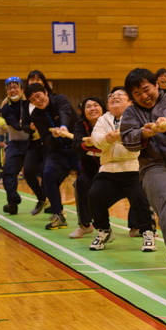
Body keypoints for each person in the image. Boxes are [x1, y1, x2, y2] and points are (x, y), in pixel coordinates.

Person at [120, 68, 166, 271]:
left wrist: (162, 124)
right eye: (137, 94)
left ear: (156, 84)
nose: (144, 96)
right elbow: (127, 139)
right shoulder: (130, 112)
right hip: (152, 166)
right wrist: (143, 133)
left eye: (146, 89)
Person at [88, 88, 156, 251]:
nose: (114, 98)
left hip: (133, 168)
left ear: (130, 101)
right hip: (108, 169)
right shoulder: (103, 119)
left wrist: (121, 137)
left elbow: (142, 136)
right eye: (111, 96)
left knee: (139, 199)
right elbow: (96, 140)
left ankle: (147, 231)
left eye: (119, 95)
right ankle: (104, 230)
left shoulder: (138, 116)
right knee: (94, 195)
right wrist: (107, 138)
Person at [24, 82, 78, 230]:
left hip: (77, 148)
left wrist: (63, 126)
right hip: (57, 151)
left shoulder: (60, 100)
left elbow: (64, 113)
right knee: (47, 174)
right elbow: (45, 139)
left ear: (45, 92)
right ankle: (58, 214)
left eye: (38, 96)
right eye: (32, 100)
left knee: (88, 179)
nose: (37, 101)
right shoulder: (35, 114)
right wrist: (53, 136)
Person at [68, 96, 103, 239]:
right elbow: (76, 146)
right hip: (90, 171)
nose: (92, 109)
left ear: (102, 108)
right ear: (83, 111)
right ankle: (85, 225)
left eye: (96, 105)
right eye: (88, 106)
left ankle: (137, 226)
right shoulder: (80, 125)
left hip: (111, 169)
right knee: (81, 183)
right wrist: (86, 145)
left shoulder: (110, 122)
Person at [21, 70, 52, 215]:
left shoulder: (51, 98)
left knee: (47, 173)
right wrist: (31, 128)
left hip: (49, 143)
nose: (34, 82)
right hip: (33, 143)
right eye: (31, 80)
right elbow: (24, 125)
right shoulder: (26, 104)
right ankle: (41, 198)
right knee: (28, 171)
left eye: (38, 80)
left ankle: (54, 206)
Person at [1, 76, 31, 215]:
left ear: (22, 89)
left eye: (15, 87)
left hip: (32, 143)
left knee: (39, 172)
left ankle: (47, 201)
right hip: (15, 143)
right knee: (8, 172)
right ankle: (12, 202)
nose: (13, 90)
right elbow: (16, 125)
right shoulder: (5, 106)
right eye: (10, 88)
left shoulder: (30, 103)